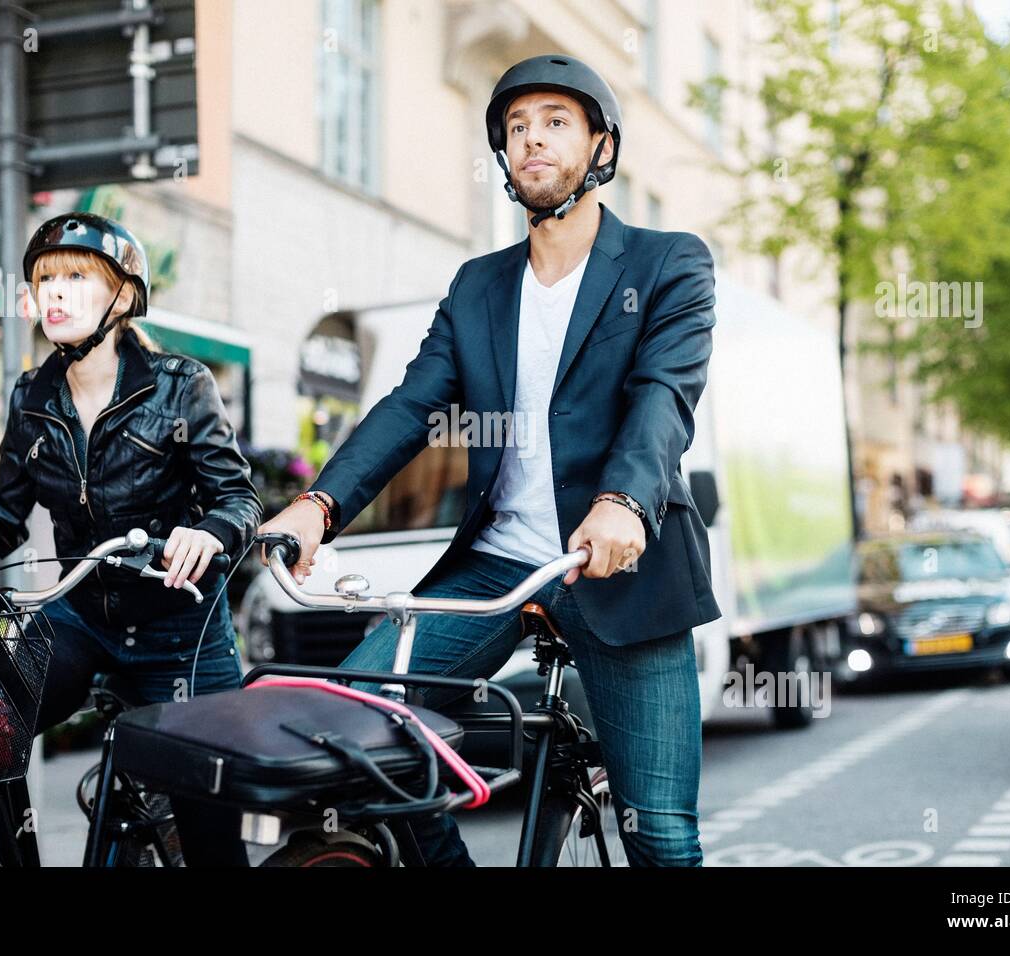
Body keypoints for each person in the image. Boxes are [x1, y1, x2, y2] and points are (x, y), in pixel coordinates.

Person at [258, 55, 720, 866]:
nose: (531, 139)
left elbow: (663, 399)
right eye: (516, 127)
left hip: (617, 569)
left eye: (554, 122)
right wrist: (319, 506)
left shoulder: (668, 262)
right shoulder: (479, 286)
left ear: (600, 148)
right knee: (360, 726)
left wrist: (622, 499)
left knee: (664, 834)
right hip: (497, 566)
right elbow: (412, 406)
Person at [0, 212, 263, 866]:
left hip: (182, 632)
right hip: (80, 617)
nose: (53, 292)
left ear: (121, 296)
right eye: (43, 279)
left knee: (212, 839)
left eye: (75, 276)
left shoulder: (180, 386)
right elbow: (2, 515)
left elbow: (238, 499)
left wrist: (209, 533)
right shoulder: (32, 398)